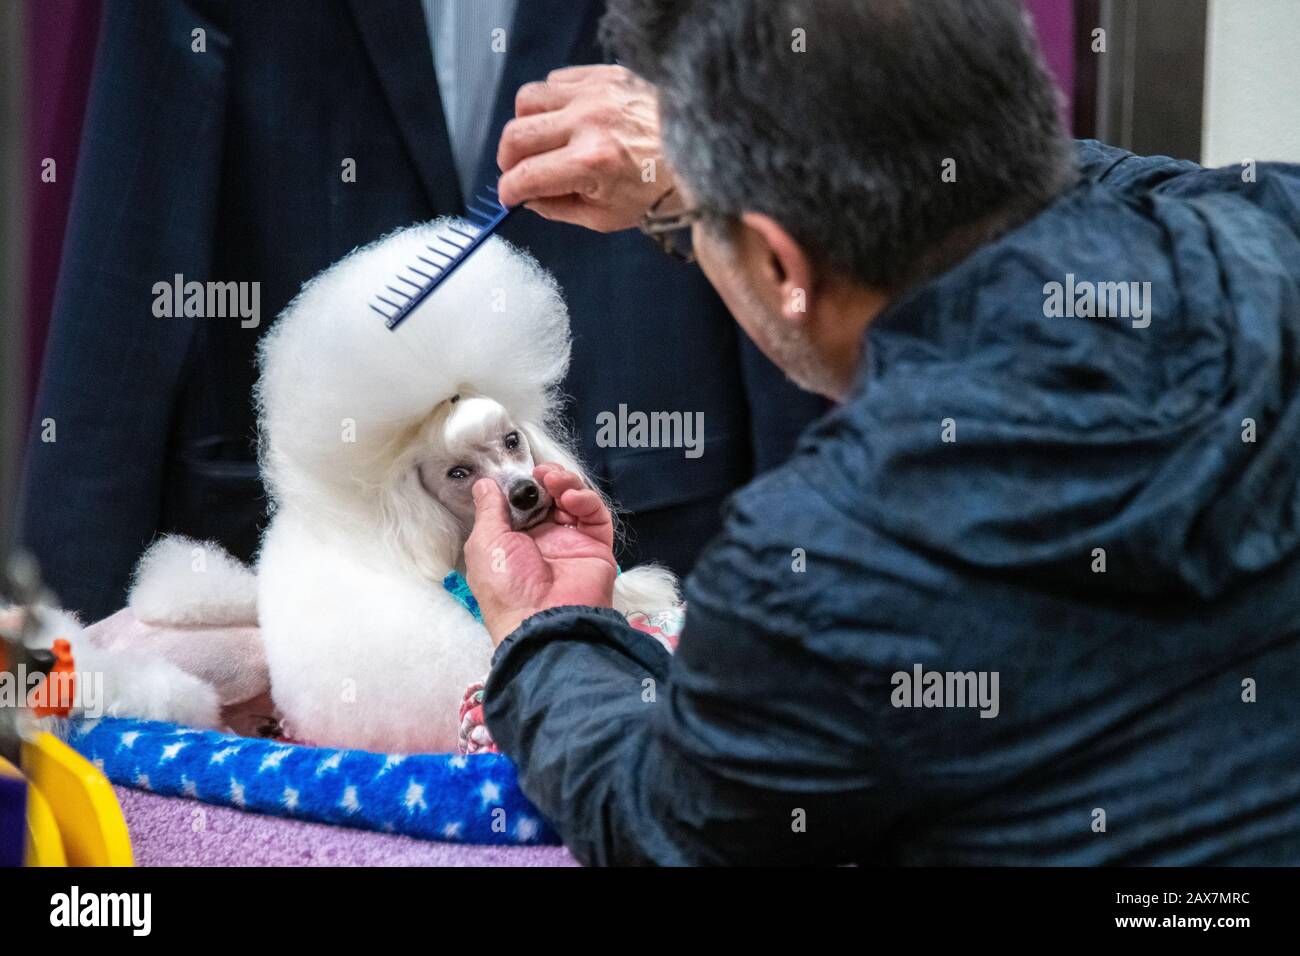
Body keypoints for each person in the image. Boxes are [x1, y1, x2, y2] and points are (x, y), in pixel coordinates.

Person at [463, 0, 1300, 864]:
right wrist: (714, 173)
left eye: (695, 230)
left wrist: (549, 629)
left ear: (780, 265)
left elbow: (660, 822)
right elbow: (1054, 186)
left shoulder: (827, 559)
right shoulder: (1277, 223)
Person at [19, 0, 822, 622]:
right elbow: (129, 243)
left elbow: (799, 190)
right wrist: (64, 649)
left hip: (656, 533)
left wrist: (825, 553)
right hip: (294, 588)